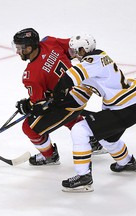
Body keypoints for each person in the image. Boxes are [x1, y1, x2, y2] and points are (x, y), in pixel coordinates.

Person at [53, 34, 136, 192]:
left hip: (124, 107)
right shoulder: (96, 62)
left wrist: (57, 93)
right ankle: (127, 162)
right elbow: (81, 93)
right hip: (128, 104)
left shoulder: (92, 61)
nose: (75, 54)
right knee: (106, 137)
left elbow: (68, 78)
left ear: (85, 49)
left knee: (80, 130)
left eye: (77, 50)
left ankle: (84, 177)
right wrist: (60, 102)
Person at [12, 28, 106, 166]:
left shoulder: (31, 76)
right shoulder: (49, 42)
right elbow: (73, 49)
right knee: (60, 113)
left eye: (20, 48)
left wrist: (26, 106)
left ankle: (50, 156)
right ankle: (92, 141)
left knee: (29, 128)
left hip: (71, 102)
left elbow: (40, 106)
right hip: (84, 88)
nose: (17, 51)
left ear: (30, 48)